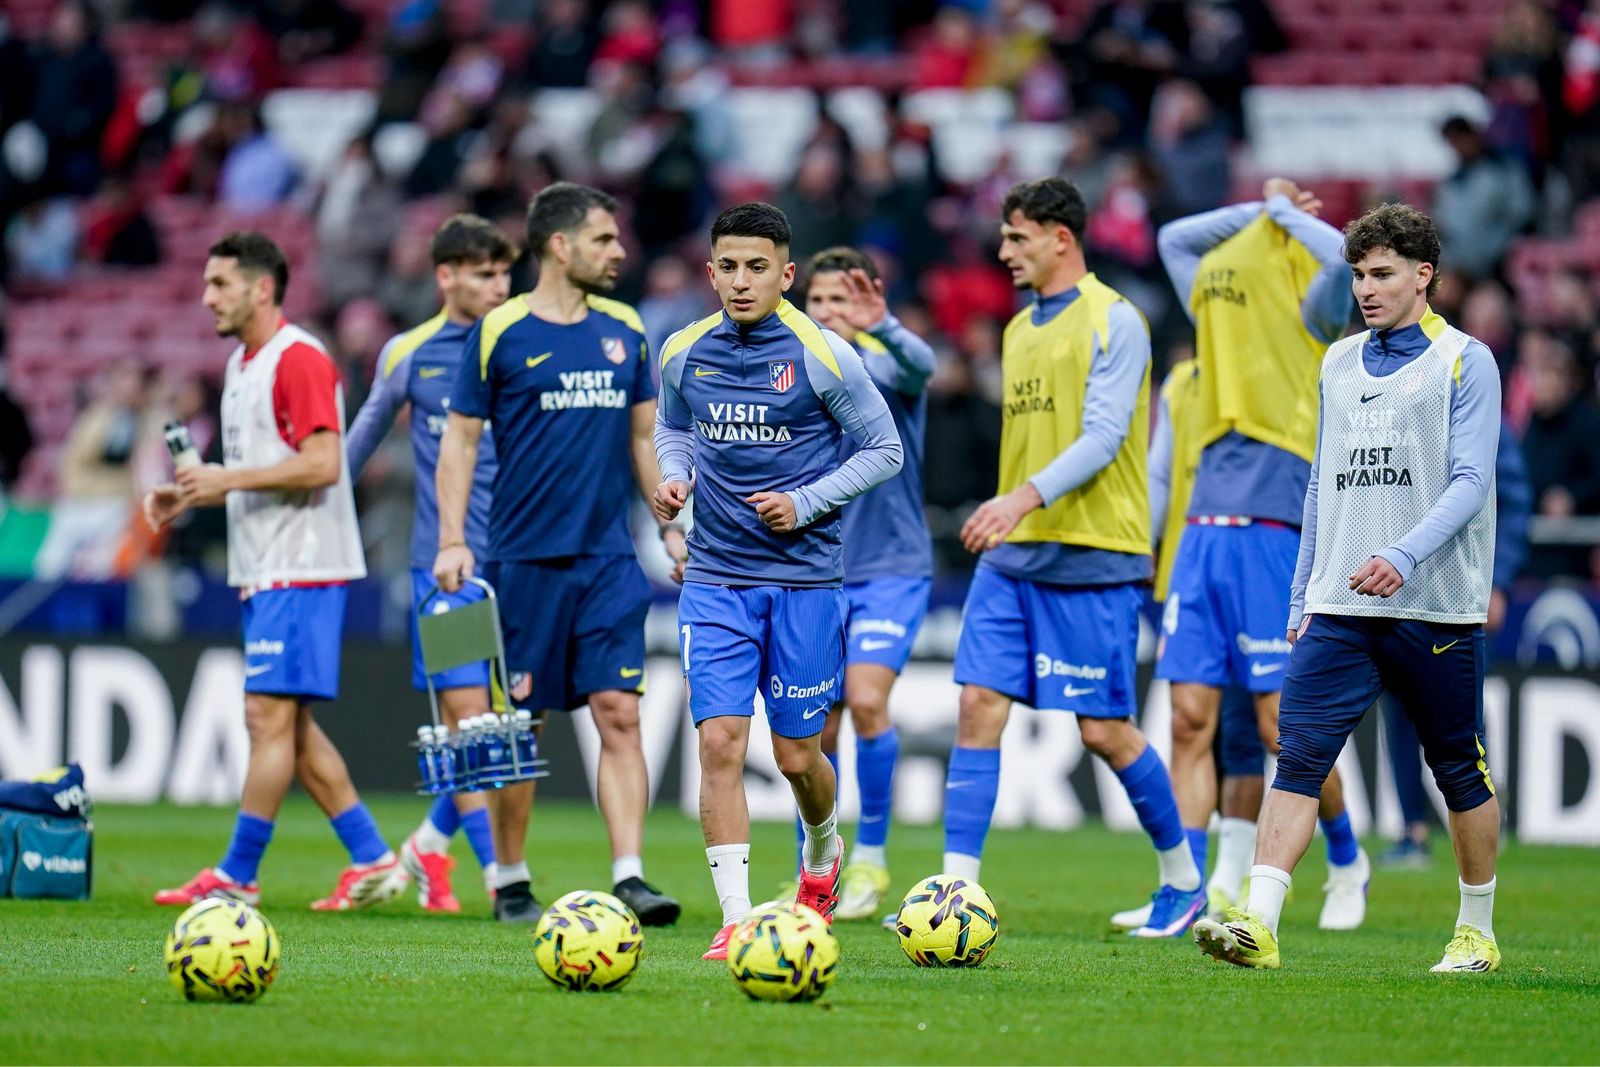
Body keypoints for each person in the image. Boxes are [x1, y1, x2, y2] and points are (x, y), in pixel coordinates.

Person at [1193, 203, 1504, 973]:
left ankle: (1476, 928)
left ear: (1422, 275)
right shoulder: (1335, 362)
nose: (1364, 288)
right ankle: (1259, 921)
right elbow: (1321, 491)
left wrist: (1403, 552)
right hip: (1338, 604)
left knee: (1457, 766)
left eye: (1382, 274)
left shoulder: (1466, 361)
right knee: (1296, 755)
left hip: (1433, 601)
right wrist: (1303, 593)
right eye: (1359, 274)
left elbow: (1470, 481)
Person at [942, 176, 1204, 939]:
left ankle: (1183, 881)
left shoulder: (1116, 320)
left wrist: (1018, 498)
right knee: (976, 705)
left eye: (1017, 237)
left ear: (1062, 237)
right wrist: (1016, 511)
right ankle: (956, 891)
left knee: (1104, 730)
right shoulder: (1019, 327)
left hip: (1095, 550)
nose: (1003, 251)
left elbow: (1102, 436)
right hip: (1016, 555)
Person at [652, 202, 904, 960]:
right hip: (716, 579)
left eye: (756, 266)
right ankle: (736, 916)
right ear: (710, 271)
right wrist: (675, 475)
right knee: (721, 743)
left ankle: (822, 849)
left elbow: (883, 448)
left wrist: (806, 500)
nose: (740, 280)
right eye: (727, 266)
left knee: (799, 757)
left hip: (804, 583)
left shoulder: (824, 353)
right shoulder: (682, 352)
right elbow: (671, 426)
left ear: (786, 273)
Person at [432, 183, 682, 926]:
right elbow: (461, 441)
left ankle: (630, 874)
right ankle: (510, 876)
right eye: (605, 239)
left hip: (608, 558)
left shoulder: (626, 328)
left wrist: (669, 519)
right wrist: (453, 538)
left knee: (619, 713)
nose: (620, 252)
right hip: (523, 560)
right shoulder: (500, 331)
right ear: (560, 246)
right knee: (521, 725)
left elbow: (645, 437)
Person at [1136, 177, 1368, 932]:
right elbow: (1173, 237)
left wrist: (1283, 218)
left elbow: (1347, 253)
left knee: (1280, 725)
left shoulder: (1315, 302)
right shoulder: (1214, 296)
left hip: (1275, 520)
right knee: (1188, 718)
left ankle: (1345, 857)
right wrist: (1257, 212)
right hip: (1203, 523)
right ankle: (1185, 885)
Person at [147, 231, 402, 911]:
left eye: (220, 284)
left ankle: (237, 872)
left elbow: (323, 463)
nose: (207, 298)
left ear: (263, 287)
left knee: (266, 715)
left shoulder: (300, 359)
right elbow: (254, 469)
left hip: (304, 561)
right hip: (267, 566)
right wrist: (191, 492)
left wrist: (226, 480)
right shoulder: (242, 366)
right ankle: (374, 856)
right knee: (288, 725)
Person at [344, 214, 518, 911]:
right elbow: (354, 451)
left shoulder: (526, 347)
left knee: (498, 728)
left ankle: (427, 848)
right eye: (483, 273)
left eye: (505, 272)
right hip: (442, 566)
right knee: (470, 717)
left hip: (519, 565)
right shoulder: (410, 354)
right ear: (444, 276)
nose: (499, 285)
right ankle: (497, 877)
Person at [800, 247, 936, 921]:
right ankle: (817, 869)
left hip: (890, 568)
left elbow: (924, 366)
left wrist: (885, 326)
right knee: (814, 725)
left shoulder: (885, 369)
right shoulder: (792, 380)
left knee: (867, 698)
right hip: (818, 570)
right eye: (818, 302)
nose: (828, 313)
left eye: (840, 302)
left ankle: (873, 863)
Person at [1379, 424, 1529, 868]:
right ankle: (1412, 830)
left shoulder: (1472, 389)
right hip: (1400, 583)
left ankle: (1481, 811)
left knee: (1462, 707)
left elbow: (1513, 498)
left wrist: (1498, 580)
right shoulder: (1399, 393)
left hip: (1461, 586)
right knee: (1397, 701)